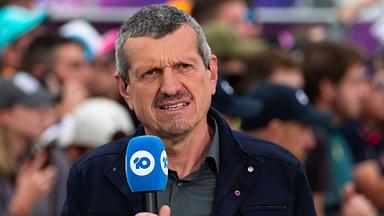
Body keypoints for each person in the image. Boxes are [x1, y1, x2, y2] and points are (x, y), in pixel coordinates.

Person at [61, 5, 316, 216]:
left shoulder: (279, 170)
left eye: (184, 66)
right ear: (125, 88)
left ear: (212, 73)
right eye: (151, 73)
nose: (170, 88)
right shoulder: (91, 177)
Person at [303, 41, 378, 215]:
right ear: (327, 88)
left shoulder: (338, 133)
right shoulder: (310, 140)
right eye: (355, 82)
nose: (364, 92)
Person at [0, 72, 70, 216]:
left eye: (45, 104)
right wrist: (20, 208)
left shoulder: (53, 159)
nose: (44, 112)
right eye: (32, 106)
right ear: (5, 116)